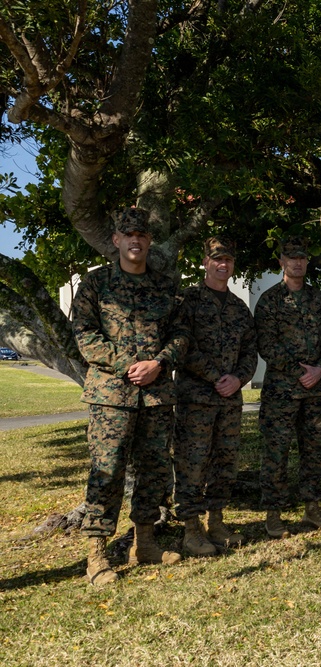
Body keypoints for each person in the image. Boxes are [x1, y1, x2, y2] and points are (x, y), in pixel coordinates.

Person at [72, 208, 188, 586]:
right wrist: (127, 365)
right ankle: (96, 554)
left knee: (154, 470)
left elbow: (182, 334)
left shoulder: (166, 287)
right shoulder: (96, 284)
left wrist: (159, 363)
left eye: (142, 234)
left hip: (156, 396)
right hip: (111, 397)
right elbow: (85, 335)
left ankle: (145, 543)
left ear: (149, 240)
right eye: (128, 234)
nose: (135, 240)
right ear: (117, 240)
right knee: (107, 472)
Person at [173, 237, 257, 556]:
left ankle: (216, 522)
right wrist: (214, 376)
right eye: (217, 259)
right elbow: (182, 345)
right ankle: (191, 529)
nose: (223, 264)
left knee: (225, 462)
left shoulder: (238, 308)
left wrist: (238, 379)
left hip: (229, 399)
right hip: (196, 399)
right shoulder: (188, 300)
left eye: (228, 260)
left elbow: (250, 351)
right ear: (205, 262)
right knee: (192, 463)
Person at [255, 237, 321, 539]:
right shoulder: (269, 301)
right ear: (281, 262)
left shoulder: (320, 300)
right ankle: (273, 514)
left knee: (315, 450)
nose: (297, 262)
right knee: (276, 451)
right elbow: (266, 344)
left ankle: (312, 508)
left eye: (302, 258)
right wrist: (298, 371)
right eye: (291, 258)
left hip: (316, 389)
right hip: (281, 390)